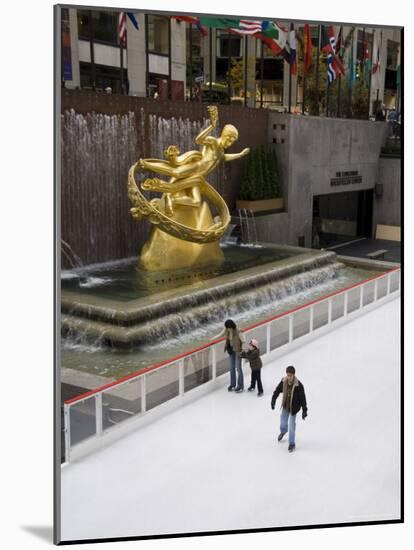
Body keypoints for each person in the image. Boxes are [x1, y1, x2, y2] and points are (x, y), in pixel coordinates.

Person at [271, 366, 308, 453]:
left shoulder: (298, 385)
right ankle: (283, 431)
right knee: (282, 420)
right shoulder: (284, 381)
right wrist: (273, 400)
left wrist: (304, 410)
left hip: (293, 408)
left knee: (292, 425)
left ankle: (292, 443)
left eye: (290, 375)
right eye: (287, 375)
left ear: (293, 375)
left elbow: (303, 398)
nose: (289, 377)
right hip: (285, 406)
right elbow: (277, 390)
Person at [213, 319, 245, 392]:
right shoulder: (227, 329)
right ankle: (233, 384)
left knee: (238, 368)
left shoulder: (238, 331)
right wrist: (212, 339)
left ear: (232, 326)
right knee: (231, 368)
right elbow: (220, 334)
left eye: (229, 328)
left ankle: (240, 386)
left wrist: (242, 351)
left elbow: (243, 341)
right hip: (231, 351)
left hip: (238, 351)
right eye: (227, 328)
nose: (228, 329)